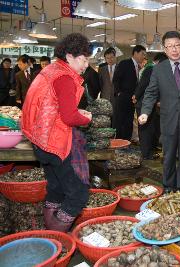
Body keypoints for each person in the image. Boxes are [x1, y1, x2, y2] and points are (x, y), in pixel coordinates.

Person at [21, 33, 93, 232]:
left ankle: (49, 229)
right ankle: (56, 234)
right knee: (78, 195)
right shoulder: (65, 78)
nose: (86, 64)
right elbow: (69, 117)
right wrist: (85, 118)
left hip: (39, 140)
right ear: (70, 56)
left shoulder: (51, 70)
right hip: (54, 143)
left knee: (56, 188)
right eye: (83, 59)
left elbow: (51, 105)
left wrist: (75, 112)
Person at [138, 31, 180, 192]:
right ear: (165, 50)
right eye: (169, 46)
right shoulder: (159, 69)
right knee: (168, 157)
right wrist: (145, 111)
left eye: (177, 45)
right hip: (168, 120)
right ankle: (168, 186)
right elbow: (151, 92)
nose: (174, 49)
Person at [133, 52, 167, 160]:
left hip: (151, 105)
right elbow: (142, 85)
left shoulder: (158, 70)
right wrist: (136, 96)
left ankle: (149, 151)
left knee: (151, 129)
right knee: (145, 130)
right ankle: (146, 153)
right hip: (144, 104)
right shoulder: (151, 69)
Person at [113, 45, 146, 140]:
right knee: (121, 122)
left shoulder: (139, 67)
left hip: (132, 99)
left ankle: (127, 142)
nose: (144, 56)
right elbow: (116, 79)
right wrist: (119, 93)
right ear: (135, 53)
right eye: (142, 54)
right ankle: (119, 142)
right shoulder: (125, 63)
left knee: (129, 122)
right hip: (123, 97)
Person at [98, 47, 117, 112]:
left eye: (111, 57)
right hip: (105, 97)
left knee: (116, 118)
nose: (110, 60)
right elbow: (100, 84)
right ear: (105, 59)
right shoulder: (101, 69)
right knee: (105, 118)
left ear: (115, 57)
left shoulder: (120, 68)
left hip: (117, 99)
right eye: (107, 58)